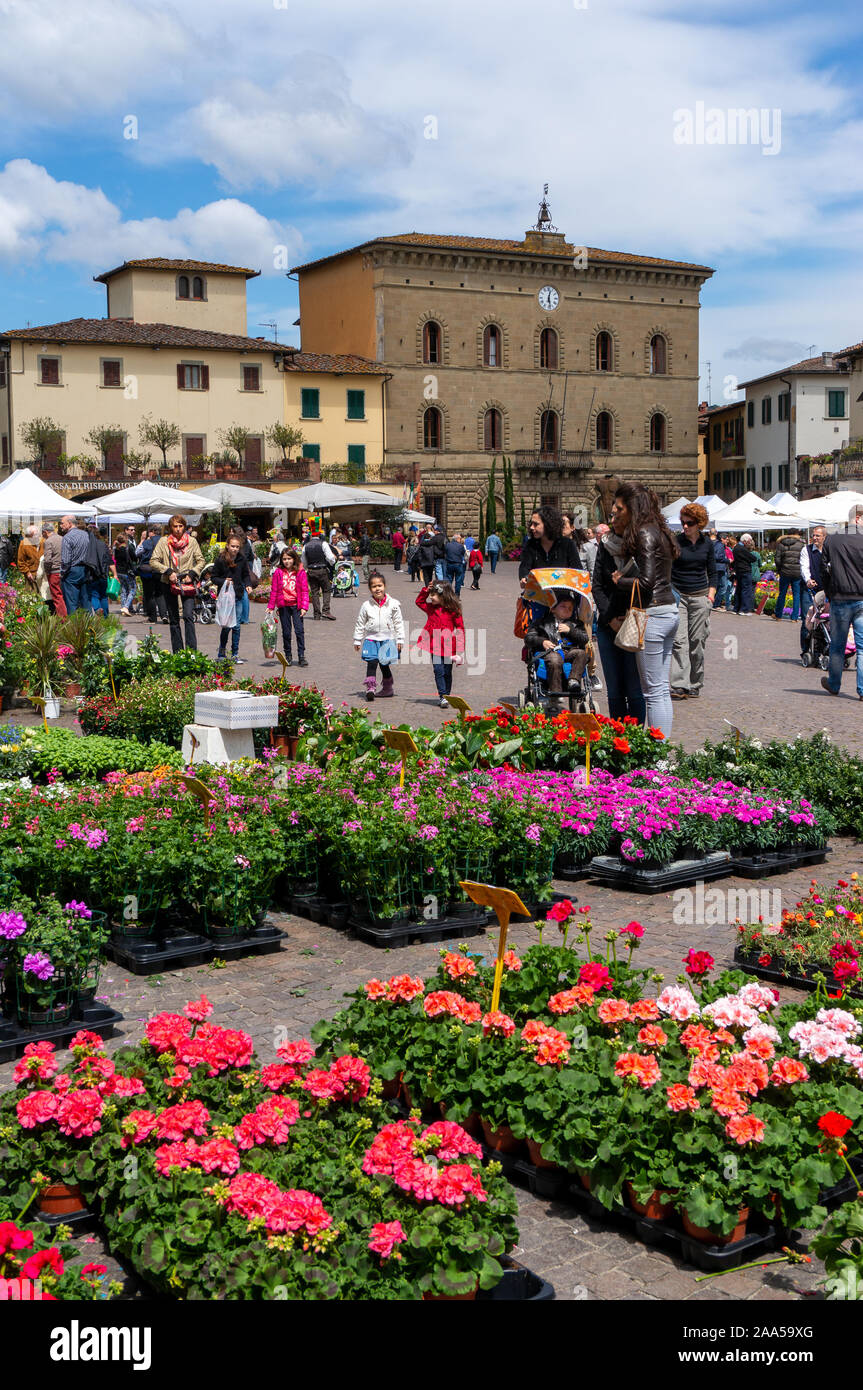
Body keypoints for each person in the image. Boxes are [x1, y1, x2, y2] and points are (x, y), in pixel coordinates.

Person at [608, 483, 680, 739]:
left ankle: (658, 755)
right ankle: (663, 749)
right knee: (660, 689)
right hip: (668, 611)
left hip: (655, 614)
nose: (614, 513)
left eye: (619, 508)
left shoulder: (644, 533)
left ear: (632, 508)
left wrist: (620, 581)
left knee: (653, 691)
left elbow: (647, 582)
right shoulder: (659, 530)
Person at [592, 516, 646, 724]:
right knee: (614, 687)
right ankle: (618, 736)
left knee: (634, 686)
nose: (614, 518)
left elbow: (647, 584)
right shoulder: (605, 545)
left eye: (618, 514)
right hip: (608, 623)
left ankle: (637, 738)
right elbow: (597, 585)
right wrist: (610, 618)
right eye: (612, 514)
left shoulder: (642, 544)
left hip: (632, 619)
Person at [670, 503, 716, 700]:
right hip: (679, 596)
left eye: (689, 523)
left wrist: (710, 596)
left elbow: (713, 572)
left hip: (700, 596)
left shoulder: (707, 545)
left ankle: (695, 682)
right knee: (680, 641)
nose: (685, 527)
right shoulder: (676, 542)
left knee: (697, 641)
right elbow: (668, 569)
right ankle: (680, 684)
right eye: (683, 523)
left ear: (699, 524)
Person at [150, 514, 205, 652]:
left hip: (187, 582)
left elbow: (201, 560)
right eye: (175, 526)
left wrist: (192, 573)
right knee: (174, 619)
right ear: (170, 527)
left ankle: (192, 652)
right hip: (169, 582)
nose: (178, 529)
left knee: (188, 615)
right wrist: (168, 571)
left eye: (181, 526)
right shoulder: (164, 541)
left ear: (184, 527)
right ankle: (178, 652)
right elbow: (153, 561)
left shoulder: (191, 541)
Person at [820, 530, 863, 699]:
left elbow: (823, 569)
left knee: (837, 646)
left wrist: (829, 593)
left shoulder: (832, 539)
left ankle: (834, 684)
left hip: (840, 598)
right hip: (861, 598)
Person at [525, 590, 590, 702]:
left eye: (570, 608)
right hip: (549, 652)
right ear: (553, 609)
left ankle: (573, 681)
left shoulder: (576, 624)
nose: (567, 609)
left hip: (569, 651)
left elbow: (584, 639)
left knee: (581, 653)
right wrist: (542, 641)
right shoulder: (542, 623)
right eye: (563, 606)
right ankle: (555, 691)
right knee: (555, 659)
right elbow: (529, 638)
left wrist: (571, 631)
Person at [353, 570, 405, 700]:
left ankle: (387, 688)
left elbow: (398, 622)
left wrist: (400, 639)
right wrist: (357, 640)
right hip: (371, 638)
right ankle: (370, 688)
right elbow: (360, 622)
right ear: (370, 589)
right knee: (372, 662)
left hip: (387, 639)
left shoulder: (393, 604)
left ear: (384, 586)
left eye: (380, 586)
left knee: (384, 664)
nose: (377, 589)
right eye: (374, 586)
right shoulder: (366, 605)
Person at [416, 579, 465, 708]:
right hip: (435, 645)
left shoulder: (453, 610)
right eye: (430, 594)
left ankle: (447, 695)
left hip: (449, 645)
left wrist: (460, 647)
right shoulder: (431, 608)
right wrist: (426, 590)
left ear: (443, 595)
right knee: (438, 670)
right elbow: (419, 602)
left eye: (433, 594)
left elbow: (460, 628)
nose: (431, 597)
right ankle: (442, 696)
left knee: (447, 672)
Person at [212, 532, 258, 664]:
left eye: (237, 547)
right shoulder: (221, 559)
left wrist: (248, 585)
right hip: (226, 596)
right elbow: (214, 577)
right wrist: (223, 581)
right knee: (226, 625)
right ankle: (221, 652)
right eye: (232, 546)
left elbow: (245, 574)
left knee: (236, 626)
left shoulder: (241, 559)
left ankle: (235, 653)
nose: (235, 549)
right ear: (227, 546)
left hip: (238, 595)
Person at [267, 548, 309, 667]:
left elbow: (305, 590)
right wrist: (271, 606)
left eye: (289, 558)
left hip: (296, 605)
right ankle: (288, 655)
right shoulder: (278, 572)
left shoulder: (300, 572)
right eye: (284, 559)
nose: (287, 561)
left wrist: (304, 607)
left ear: (294, 559)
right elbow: (274, 590)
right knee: (286, 632)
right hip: (283, 606)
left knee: (299, 631)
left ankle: (301, 655)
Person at [517, 506, 582, 582]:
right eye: (531, 524)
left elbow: (577, 571)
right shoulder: (530, 544)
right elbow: (524, 567)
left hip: (561, 592)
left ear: (548, 524)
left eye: (536, 524)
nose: (531, 527)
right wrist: (524, 577)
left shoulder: (567, 544)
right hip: (537, 592)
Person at [800, 526, 826, 652]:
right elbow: (804, 567)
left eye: (818, 536)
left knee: (825, 619)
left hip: (825, 591)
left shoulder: (828, 550)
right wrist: (808, 580)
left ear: (824, 537)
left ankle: (821, 648)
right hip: (810, 589)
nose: (814, 538)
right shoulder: (807, 550)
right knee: (808, 618)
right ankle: (805, 650)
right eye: (813, 535)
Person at [302, 531, 337, 620]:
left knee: (315, 592)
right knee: (327, 589)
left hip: (311, 570)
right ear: (319, 534)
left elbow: (304, 561)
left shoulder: (306, 545)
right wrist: (333, 562)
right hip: (321, 569)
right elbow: (330, 558)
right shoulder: (323, 543)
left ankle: (316, 614)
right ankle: (326, 611)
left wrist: (307, 568)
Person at [138, 526, 168, 624]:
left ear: (152, 532)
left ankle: (152, 618)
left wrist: (142, 540)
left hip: (148, 571)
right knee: (160, 594)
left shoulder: (147, 542)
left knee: (149, 595)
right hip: (160, 570)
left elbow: (137, 553)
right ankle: (164, 615)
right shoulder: (165, 541)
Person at [60, 516, 91, 614]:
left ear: (69, 523)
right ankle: (89, 625)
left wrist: (62, 573)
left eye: (62, 523)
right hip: (85, 569)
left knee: (71, 602)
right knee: (85, 601)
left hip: (72, 570)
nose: (61, 526)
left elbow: (66, 560)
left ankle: (73, 626)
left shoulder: (67, 537)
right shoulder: (85, 534)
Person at [774, 530, 805, 621]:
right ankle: (794, 617)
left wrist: (780, 569)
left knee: (782, 594)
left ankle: (778, 615)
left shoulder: (781, 544)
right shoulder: (801, 544)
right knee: (796, 595)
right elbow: (803, 558)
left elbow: (777, 559)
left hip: (785, 572)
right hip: (797, 572)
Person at [85, 525, 114, 616]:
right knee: (104, 596)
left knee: (94, 595)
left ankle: (97, 608)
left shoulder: (87, 545)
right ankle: (105, 616)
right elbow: (110, 561)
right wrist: (115, 574)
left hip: (92, 575)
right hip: (104, 574)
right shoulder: (103, 545)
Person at [41, 522, 66, 617]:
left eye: (42, 533)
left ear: (45, 532)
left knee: (57, 596)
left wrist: (47, 571)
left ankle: (62, 619)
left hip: (54, 571)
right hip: (63, 570)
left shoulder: (48, 541)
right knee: (63, 595)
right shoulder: (62, 538)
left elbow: (47, 560)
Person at [113, 526, 138, 616]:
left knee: (124, 590)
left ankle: (124, 607)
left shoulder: (116, 549)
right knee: (132, 589)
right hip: (127, 571)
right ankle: (126, 607)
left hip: (119, 572)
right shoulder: (128, 548)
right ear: (125, 539)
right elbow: (135, 558)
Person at [731, 534, 756, 615]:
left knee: (739, 589)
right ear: (745, 541)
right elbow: (753, 558)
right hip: (745, 570)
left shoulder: (736, 548)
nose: (749, 543)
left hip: (739, 570)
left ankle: (736, 608)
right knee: (746, 590)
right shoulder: (742, 549)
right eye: (749, 541)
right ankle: (744, 609)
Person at [16, 525, 42, 590]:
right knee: (32, 595)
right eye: (35, 535)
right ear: (29, 536)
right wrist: (27, 572)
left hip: (43, 573)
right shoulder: (24, 543)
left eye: (38, 534)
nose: (37, 536)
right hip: (31, 574)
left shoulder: (42, 541)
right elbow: (21, 561)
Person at [710, 529, 731, 610]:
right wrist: (727, 560)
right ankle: (716, 604)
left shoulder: (717, 544)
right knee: (723, 587)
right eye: (726, 539)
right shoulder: (720, 545)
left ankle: (715, 603)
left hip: (718, 568)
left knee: (719, 586)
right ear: (722, 538)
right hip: (719, 568)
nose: (727, 541)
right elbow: (718, 557)